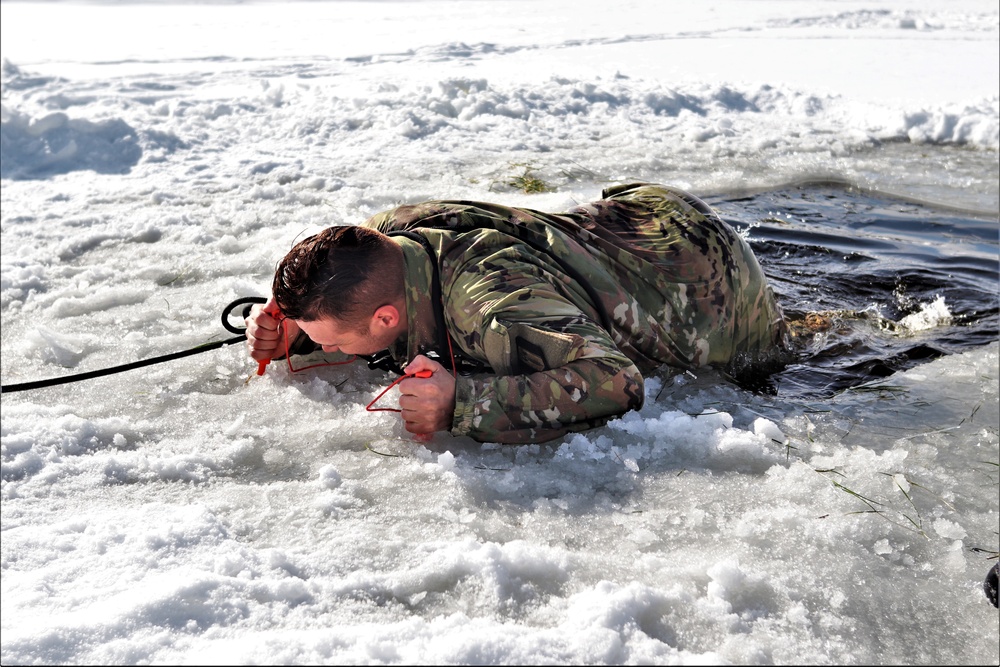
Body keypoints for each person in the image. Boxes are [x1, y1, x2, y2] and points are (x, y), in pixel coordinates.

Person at [245, 182, 792, 444]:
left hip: (707, 284)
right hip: (636, 216)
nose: (331, 350)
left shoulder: (495, 310)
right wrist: (298, 327)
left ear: (387, 319)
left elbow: (616, 381)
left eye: (336, 341)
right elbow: (346, 284)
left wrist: (462, 402)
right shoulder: (386, 235)